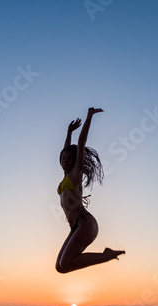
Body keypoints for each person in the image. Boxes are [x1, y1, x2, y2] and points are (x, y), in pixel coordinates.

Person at [56, 107, 125, 273]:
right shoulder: (65, 176)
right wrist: (68, 132)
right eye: (63, 158)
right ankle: (105, 256)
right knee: (60, 267)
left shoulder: (75, 174)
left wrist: (89, 115)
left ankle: (106, 256)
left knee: (66, 264)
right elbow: (67, 149)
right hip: (75, 227)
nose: (65, 160)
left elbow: (81, 144)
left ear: (75, 162)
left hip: (85, 223)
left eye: (69, 159)